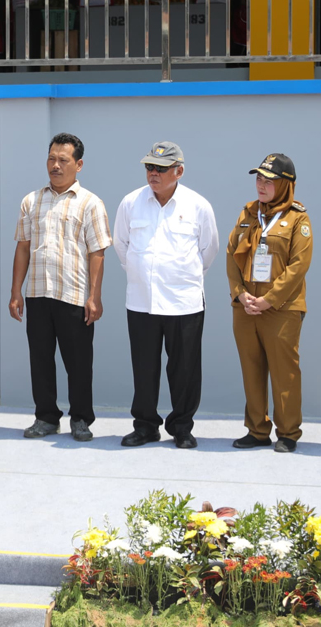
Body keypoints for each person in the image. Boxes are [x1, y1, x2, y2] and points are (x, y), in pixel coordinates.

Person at [113, 141, 219, 449]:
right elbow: (122, 245)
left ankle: (182, 427)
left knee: (184, 370)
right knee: (144, 368)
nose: (153, 174)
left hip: (183, 301)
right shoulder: (131, 203)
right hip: (142, 300)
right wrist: (140, 271)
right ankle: (145, 426)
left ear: (179, 171)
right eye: (149, 167)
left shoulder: (198, 206)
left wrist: (181, 276)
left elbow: (208, 251)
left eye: (161, 169)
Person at [9, 133, 112, 442]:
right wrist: (16, 292)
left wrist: (95, 297)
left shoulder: (91, 203)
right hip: (38, 293)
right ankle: (46, 417)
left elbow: (98, 252)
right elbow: (23, 248)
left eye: (63, 160)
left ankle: (81, 418)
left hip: (74, 295)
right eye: (51, 159)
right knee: (39, 359)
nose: (55, 165)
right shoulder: (31, 200)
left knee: (79, 361)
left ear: (78, 164)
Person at [225, 153, 313, 453]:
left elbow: (299, 266)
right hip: (246, 307)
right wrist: (240, 293)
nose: (261, 186)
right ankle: (257, 430)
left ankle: (288, 433)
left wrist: (269, 300)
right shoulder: (248, 214)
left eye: (269, 181)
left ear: (287, 185)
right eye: (259, 179)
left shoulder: (298, 219)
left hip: (281, 309)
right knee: (251, 370)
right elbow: (230, 254)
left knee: (284, 372)